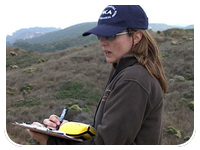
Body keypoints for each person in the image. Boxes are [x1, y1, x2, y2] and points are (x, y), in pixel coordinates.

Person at [27, 5, 168, 145]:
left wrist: (49, 140)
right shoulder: (126, 71)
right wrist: (66, 129)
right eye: (100, 36)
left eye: (111, 36)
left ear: (136, 37)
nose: (102, 42)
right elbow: (109, 134)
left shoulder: (133, 80)